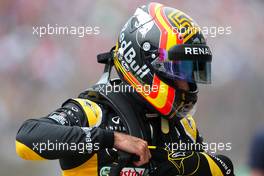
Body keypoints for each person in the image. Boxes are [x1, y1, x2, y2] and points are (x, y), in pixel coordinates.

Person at [16, 2, 234, 176]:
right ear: (144, 62)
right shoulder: (96, 113)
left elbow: (224, 168)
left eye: (192, 73)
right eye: (180, 71)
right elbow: (26, 140)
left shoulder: (184, 126)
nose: (187, 84)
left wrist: (181, 164)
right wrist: (113, 139)